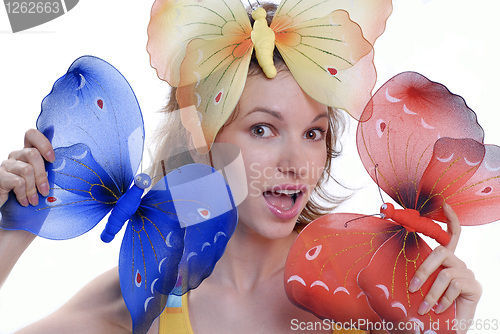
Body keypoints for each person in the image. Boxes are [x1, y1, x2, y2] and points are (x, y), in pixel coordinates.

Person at [0, 3, 482, 334]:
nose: (296, 163)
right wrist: (15, 223)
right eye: (262, 129)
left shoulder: (373, 279)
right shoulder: (144, 296)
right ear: (203, 142)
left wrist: (451, 326)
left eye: (313, 133)